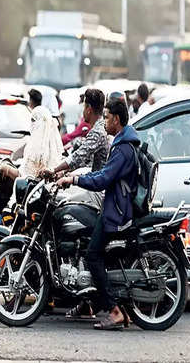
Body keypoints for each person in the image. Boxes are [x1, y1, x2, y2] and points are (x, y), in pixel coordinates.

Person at [56, 98, 140, 330]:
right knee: (86, 245)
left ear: (116, 119)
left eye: (106, 117)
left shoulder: (123, 148)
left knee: (93, 255)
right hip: (114, 205)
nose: (104, 121)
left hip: (116, 212)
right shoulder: (123, 142)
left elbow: (102, 178)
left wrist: (73, 179)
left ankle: (114, 311)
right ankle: (89, 303)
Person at [40, 88, 108, 177]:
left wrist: (54, 170)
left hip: (98, 185)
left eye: (84, 106)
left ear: (89, 109)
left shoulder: (97, 131)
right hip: (95, 178)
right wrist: (64, 171)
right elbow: (84, 159)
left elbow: (79, 156)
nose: (83, 110)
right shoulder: (100, 127)